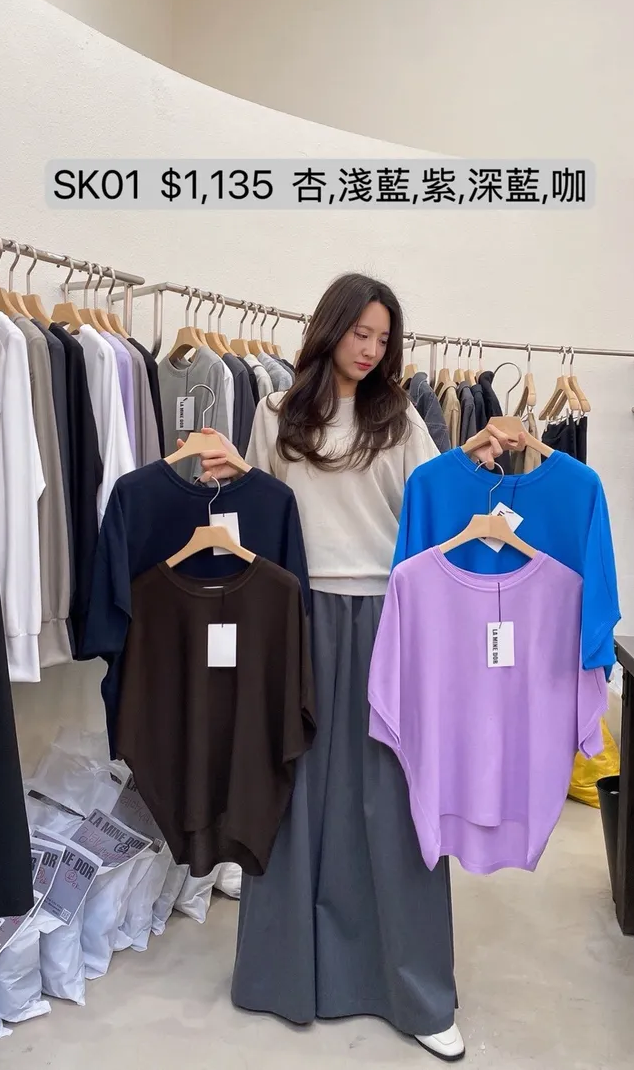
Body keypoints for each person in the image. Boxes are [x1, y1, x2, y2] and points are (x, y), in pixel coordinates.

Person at [198, 272, 468, 1061]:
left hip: (387, 617)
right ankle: (284, 975)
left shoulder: (402, 416)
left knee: (395, 798)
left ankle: (416, 992)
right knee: (293, 790)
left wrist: (483, 465)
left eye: (384, 338)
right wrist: (229, 478)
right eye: (361, 332)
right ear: (332, 326)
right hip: (299, 614)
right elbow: (256, 521)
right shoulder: (275, 411)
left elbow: (438, 507)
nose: (372, 349)